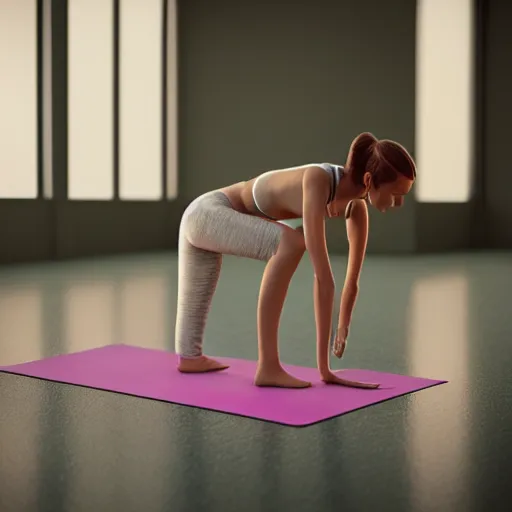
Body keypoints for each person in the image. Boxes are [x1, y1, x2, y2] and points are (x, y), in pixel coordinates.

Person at [174, 132, 416, 389]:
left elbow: (351, 282)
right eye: (395, 194)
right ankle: (268, 367)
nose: (398, 203)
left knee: (200, 296)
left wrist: (342, 327)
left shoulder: (356, 208)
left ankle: (190, 357)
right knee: (290, 244)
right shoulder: (317, 180)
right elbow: (323, 277)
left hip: (206, 221)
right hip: (207, 212)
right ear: (369, 180)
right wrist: (325, 371)